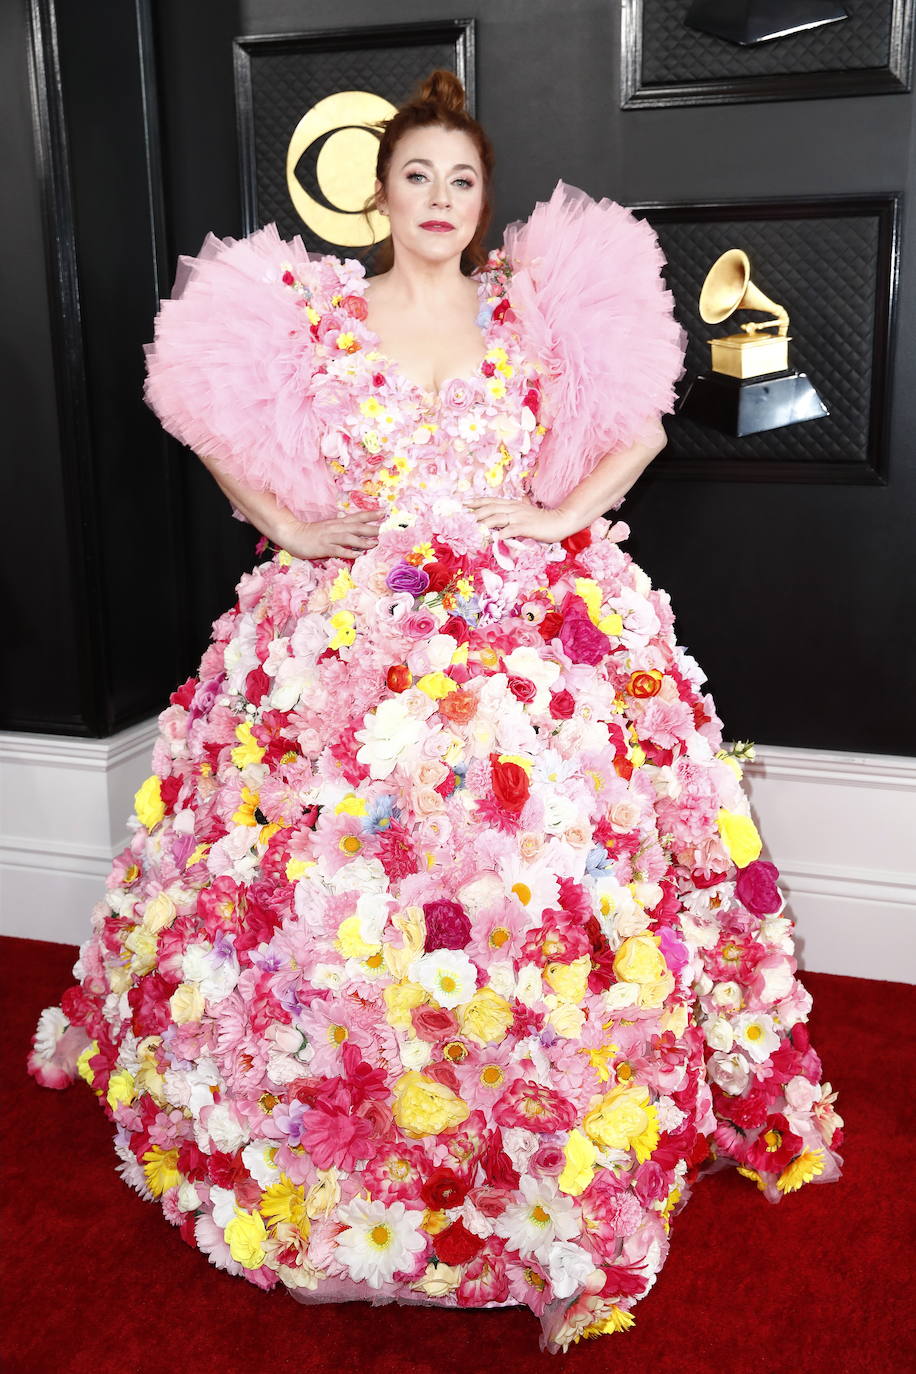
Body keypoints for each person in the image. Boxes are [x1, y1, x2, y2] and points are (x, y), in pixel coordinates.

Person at [27, 69, 843, 1352]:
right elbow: (202, 407)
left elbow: (638, 416)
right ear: (378, 192)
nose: (442, 200)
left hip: (527, 626)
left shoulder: (527, 311)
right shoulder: (322, 316)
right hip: (346, 624)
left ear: (482, 201)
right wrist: (287, 524)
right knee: (320, 879)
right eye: (419, 176)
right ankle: (333, 1124)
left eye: (463, 181)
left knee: (542, 875)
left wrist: (569, 515)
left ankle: (528, 1119)